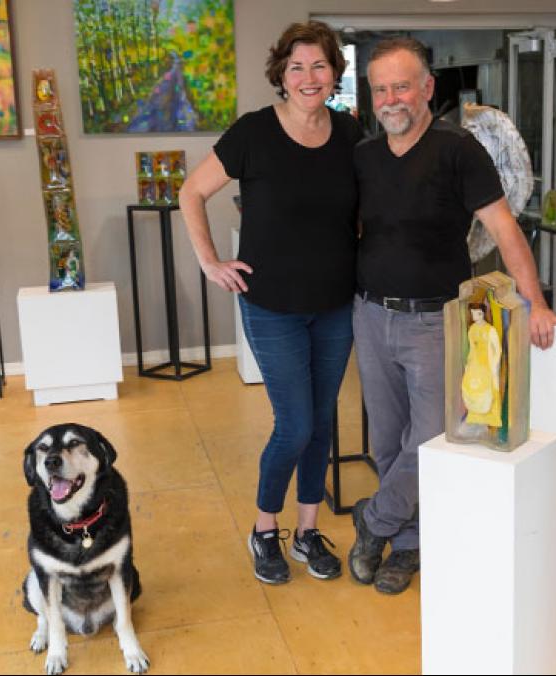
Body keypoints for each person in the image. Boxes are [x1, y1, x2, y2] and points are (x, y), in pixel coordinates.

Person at [348, 37, 556, 595]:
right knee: (388, 442)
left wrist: (536, 301)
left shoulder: (459, 151)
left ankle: (376, 523)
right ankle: (410, 542)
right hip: (371, 316)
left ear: (427, 88)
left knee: (431, 439)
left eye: (402, 86)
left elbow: (504, 231)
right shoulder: (363, 158)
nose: (391, 99)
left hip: (433, 322)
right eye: (380, 89)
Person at [178, 21, 362, 586]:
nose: (309, 77)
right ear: (281, 74)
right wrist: (211, 261)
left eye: (320, 66)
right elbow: (192, 192)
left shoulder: (353, 135)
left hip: (335, 304)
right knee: (296, 424)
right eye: (297, 66)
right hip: (273, 305)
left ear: (334, 73)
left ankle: (307, 532)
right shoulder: (253, 133)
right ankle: (264, 529)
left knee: (322, 422)